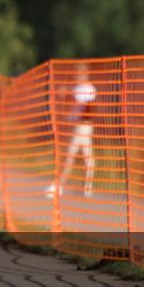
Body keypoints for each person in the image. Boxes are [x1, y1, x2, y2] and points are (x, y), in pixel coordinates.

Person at [48, 65, 98, 198]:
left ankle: (61, 186)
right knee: (79, 157)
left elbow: (83, 103)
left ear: (84, 74)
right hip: (76, 126)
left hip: (83, 127)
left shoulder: (89, 89)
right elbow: (71, 99)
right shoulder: (77, 87)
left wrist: (67, 92)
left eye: (78, 74)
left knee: (75, 157)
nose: (76, 77)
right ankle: (83, 187)